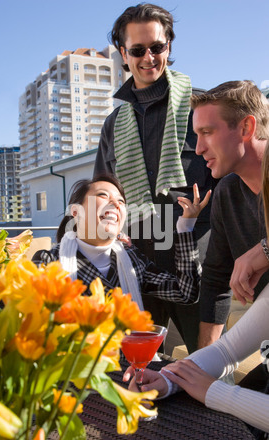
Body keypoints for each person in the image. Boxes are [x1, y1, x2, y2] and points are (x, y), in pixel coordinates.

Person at [124, 140, 269, 440]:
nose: (201, 149)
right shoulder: (54, 260)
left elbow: (188, 290)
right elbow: (227, 350)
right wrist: (168, 379)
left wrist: (185, 230)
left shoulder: (135, 263)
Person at [94, 3, 217, 353]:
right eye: (137, 50)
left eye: (157, 47)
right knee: (139, 375)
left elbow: (233, 183)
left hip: (199, 268)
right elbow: (102, 194)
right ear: (123, 53)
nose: (148, 57)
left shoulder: (202, 108)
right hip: (138, 270)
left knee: (211, 373)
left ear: (169, 47)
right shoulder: (113, 125)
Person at [32, 174, 210, 306]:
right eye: (103, 195)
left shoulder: (131, 259)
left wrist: (186, 226)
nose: (116, 204)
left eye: (121, 201)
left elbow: (187, 293)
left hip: (131, 355)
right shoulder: (50, 262)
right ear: (76, 212)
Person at [189, 80, 269, 348]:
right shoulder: (227, 192)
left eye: (207, 132)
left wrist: (264, 250)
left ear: (246, 127)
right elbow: (215, 277)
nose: (198, 148)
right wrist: (203, 360)